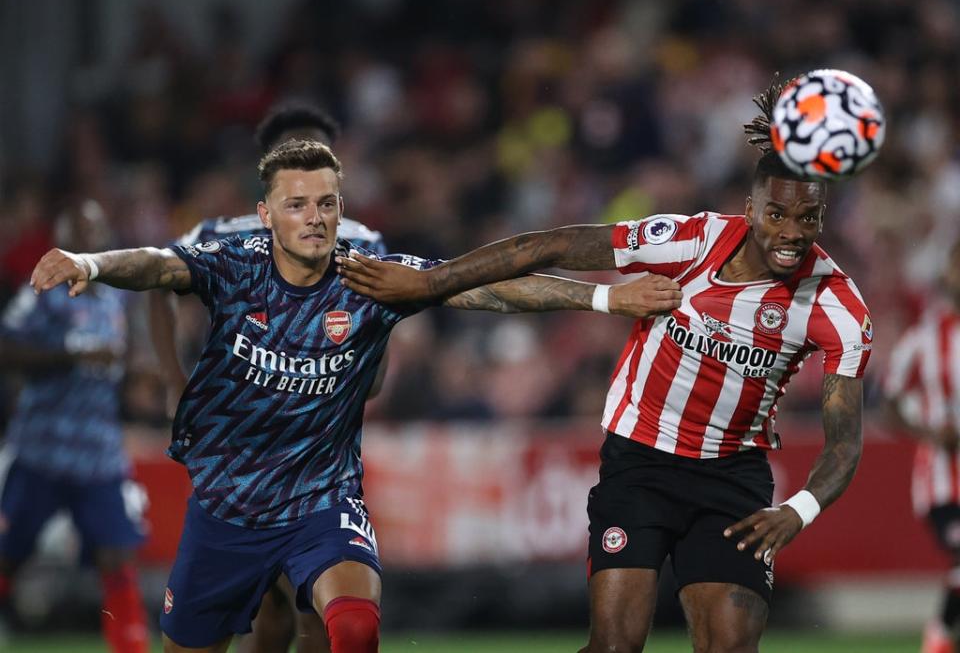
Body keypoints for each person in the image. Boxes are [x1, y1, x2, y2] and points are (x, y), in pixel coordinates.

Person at [31, 139, 679, 653]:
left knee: (355, 629)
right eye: (296, 203)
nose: (313, 216)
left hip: (322, 504)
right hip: (226, 509)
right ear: (265, 214)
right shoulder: (234, 266)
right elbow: (157, 264)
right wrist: (90, 264)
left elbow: (491, 287)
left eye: (326, 203)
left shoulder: (372, 278)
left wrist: (602, 296)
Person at [336, 79, 873, 652]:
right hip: (639, 463)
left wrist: (799, 510)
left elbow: (844, 441)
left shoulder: (838, 306)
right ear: (750, 208)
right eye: (777, 214)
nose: (792, 233)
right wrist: (430, 282)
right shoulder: (693, 241)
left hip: (732, 479)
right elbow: (556, 245)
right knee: (614, 647)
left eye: (809, 219)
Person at [147, 101, 385, 653]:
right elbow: (160, 277)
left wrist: (371, 373)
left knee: (316, 602)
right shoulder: (223, 236)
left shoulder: (362, 241)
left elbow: (387, 309)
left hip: (314, 451)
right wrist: (170, 377)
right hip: (238, 452)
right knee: (274, 604)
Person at [0, 200, 149, 653]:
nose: (89, 240)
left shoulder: (117, 297)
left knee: (117, 556)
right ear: (62, 240)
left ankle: (132, 647)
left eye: (95, 231)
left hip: (98, 454)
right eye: (79, 232)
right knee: (10, 556)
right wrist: (72, 356)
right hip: (43, 448)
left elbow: (123, 364)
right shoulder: (40, 292)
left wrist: (140, 379)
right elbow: (7, 350)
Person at [885, 238, 960, 653]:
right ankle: (939, 636)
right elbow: (889, 402)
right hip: (942, 484)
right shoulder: (926, 338)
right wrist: (932, 434)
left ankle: (941, 634)